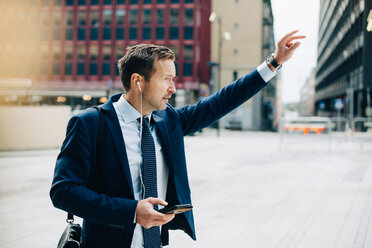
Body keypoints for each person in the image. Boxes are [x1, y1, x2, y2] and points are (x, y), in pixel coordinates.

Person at [50, 30, 305, 247]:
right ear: (138, 81)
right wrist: (132, 212)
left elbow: (221, 101)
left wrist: (273, 62)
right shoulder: (90, 124)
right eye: (166, 79)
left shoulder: (168, 120)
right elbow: (64, 192)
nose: (173, 88)